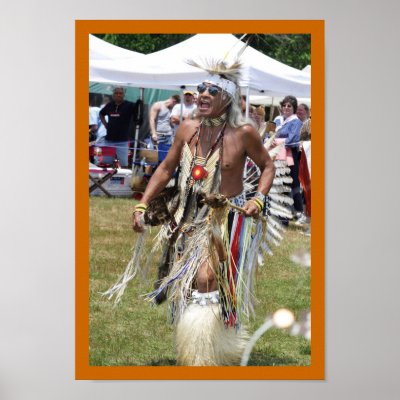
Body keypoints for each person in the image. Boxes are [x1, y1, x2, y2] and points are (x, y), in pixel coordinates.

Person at [107, 59, 276, 366]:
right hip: (186, 218)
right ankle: (203, 348)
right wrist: (142, 203)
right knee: (185, 282)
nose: (203, 94)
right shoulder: (187, 128)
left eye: (213, 90)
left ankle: (207, 354)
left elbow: (268, 165)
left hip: (224, 220)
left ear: (227, 100)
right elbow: (167, 167)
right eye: (201, 89)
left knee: (207, 278)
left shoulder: (243, 134)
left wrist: (259, 199)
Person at [274, 95, 304, 221]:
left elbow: (293, 140)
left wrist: (275, 141)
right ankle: (283, 214)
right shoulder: (281, 121)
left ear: (294, 108)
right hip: (279, 156)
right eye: (284, 105)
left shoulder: (295, 121)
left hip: (290, 158)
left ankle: (297, 212)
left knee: (290, 185)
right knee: (281, 185)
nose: (286, 107)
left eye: (289, 106)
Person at [99, 86, 137, 167]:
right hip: (109, 140)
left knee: (124, 164)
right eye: (116, 93)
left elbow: (138, 113)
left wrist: (139, 103)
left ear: (123, 95)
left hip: (122, 141)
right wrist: (105, 124)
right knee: (106, 163)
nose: (118, 95)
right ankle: (107, 179)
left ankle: (123, 179)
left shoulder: (129, 105)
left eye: (121, 93)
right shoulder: (109, 105)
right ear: (113, 95)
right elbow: (101, 114)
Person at [149, 94, 181, 161]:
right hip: (158, 134)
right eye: (175, 105)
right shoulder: (158, 105)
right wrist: (153, 133)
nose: (175, 107)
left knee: (165, 159)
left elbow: (172, 122)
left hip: (168, 135)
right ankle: (148, 172)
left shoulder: (173, 109)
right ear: (174, 101)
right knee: (152, 159)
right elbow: (152, 119)